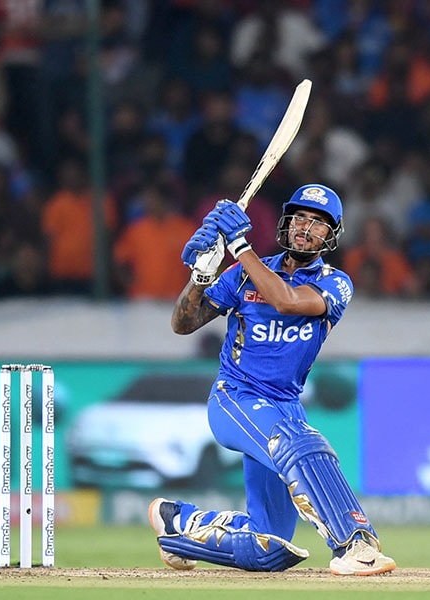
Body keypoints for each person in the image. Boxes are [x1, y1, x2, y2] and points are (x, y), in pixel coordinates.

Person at [148, 184, 396, 576]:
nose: (305, 227)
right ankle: (355, 544)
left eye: (318, 222)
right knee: (301, 443)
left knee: (268, 548)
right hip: (236, 398)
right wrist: (199, 274)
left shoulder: (336, 283)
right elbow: (184, 323)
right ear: (287, 221)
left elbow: (288, 301)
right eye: (300, 217)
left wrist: (238, 245)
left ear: (330, 235)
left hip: (285, 405)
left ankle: (180, 523)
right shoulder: (243, 274)